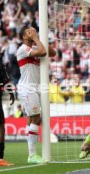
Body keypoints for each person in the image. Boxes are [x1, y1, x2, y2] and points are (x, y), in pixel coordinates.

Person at [17, 26, 56, 164]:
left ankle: (31, 154)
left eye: (32, 30)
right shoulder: (22, 49)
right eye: (28, 31)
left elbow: (53, 53)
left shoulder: (34, 48)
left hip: (36, 87)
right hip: (27, 88)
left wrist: (40, 38)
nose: (32, 32)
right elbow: (44, 52)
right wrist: (35, 39)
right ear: (23, 37)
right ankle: (32, 155)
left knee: (31, 119)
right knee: (36, 118)